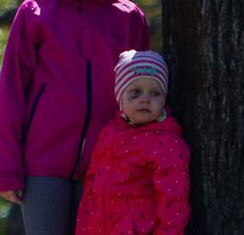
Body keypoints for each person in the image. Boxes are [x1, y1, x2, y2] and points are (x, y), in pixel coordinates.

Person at [0, 0, 153, 235]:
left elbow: (144, 95)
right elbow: (11, 94)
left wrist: (140, 158)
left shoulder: (128, 17)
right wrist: (7, 168)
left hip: (107, 163)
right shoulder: (34, 13)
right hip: (42, 167)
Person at [74, 50, 191, 234]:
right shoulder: (109, 133)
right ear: (120, 96)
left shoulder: (167, 144)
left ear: (164, 98)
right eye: (135, 92)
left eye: (155, 93)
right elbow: (91, 186)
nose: (145, 99)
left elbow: (174, 199)